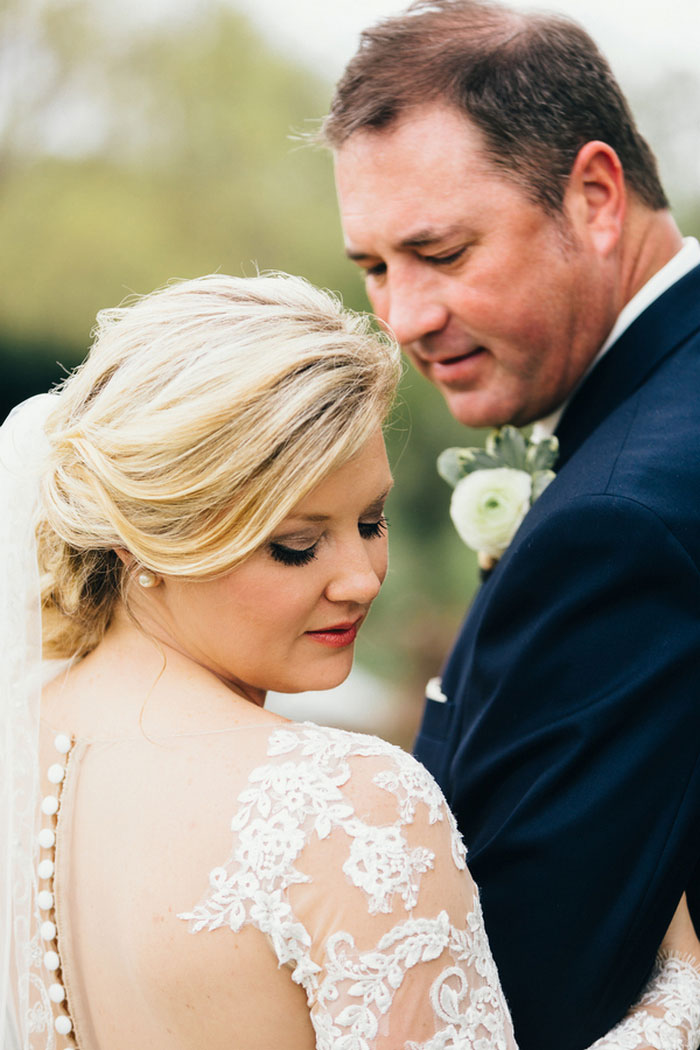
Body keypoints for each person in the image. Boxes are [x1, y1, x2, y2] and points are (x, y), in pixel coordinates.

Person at [1, 272, 699, 1050]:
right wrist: (681, 997)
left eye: (372, 521)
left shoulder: (23, 739)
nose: (363, 578)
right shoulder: (345, 805)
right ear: (150, 539)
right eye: (297, 546)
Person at [326, 2, 700, 1048]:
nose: (401, 317)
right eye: (374, 268)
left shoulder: (627, 517)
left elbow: (524, 991)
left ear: (593, 197)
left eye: (438, 252)